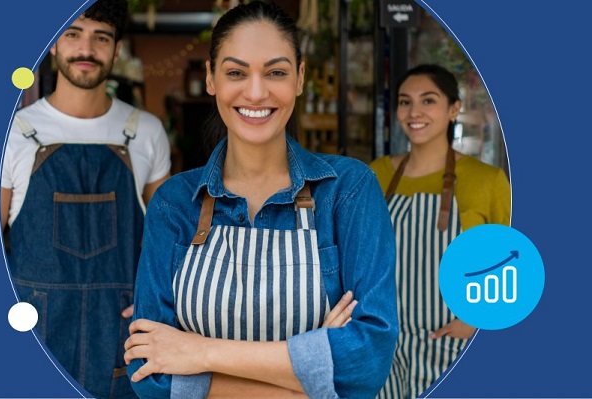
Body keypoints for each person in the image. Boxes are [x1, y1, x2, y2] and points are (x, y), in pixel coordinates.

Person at [123, 2, 398, 398]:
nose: (255, 91)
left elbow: (368, 362)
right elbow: (149, 375)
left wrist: (199, 352)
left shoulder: (348, 190)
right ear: (211, 78)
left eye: (276, 72)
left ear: (300, 78)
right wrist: (308, 381)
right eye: (236, 72)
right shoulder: (174, 203)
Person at [0, 0, 171, 397]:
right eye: (73, 33)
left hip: (122, 334)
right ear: (53, 45)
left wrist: (158, 303)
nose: (86, 49)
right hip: (34, 330)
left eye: (101, 37)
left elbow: (168, 245)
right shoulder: (14, 134)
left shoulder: (145, 132)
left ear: (116, 48)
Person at [369, 64, 511, 399]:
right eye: (405, 102)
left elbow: (512, 269)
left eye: (428, 101)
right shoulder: (375, 174)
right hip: (384, 345)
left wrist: (477, 322)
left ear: (453, 109)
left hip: (449, 346)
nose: (414, 112)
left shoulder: (487, 180)